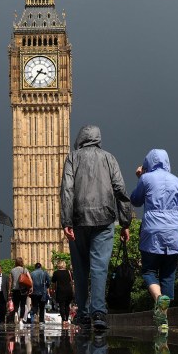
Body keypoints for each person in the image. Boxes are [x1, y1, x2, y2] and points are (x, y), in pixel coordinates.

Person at [60, 125, 132, 331]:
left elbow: (67, 190)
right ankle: (99, 313)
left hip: (78, 220)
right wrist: (125, 222)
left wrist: (66, 221)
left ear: (81, 139)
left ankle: (83, 315)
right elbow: (120, 189)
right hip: (104, 220)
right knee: (100, 268)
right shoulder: (109, 158)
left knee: (81, 269)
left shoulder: (73, 157)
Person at [130, 149, 178, 332]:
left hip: (152, 230)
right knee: (168, 275)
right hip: (175, 232)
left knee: (149, 271)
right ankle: (164, 320)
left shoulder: (146, 179)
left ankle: (158, 299)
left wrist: (140, 177)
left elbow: (135, 201)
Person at [50, 260, 74, 326]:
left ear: (58, 265)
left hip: (60, 291)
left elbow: (53, 283)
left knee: (61, 306)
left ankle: (63, 320)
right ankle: (66, 319)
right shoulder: (69, 272)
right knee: (67, 305)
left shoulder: (56, 273)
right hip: (68, 290)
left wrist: (53, 290)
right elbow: (72, 282)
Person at [9, 257, 31, 325]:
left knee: (16, 304)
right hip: (23, 290)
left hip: (15, 290)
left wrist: (9, 290)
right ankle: (21, 320)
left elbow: (10, 281)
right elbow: (30, 279)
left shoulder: (12, 270)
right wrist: (31, 287)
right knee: (22, 305)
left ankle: (16, 313)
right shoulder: (25, 269)